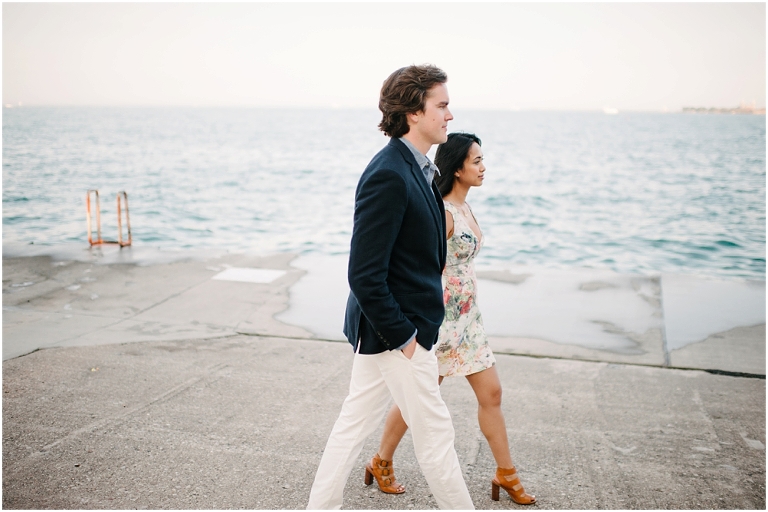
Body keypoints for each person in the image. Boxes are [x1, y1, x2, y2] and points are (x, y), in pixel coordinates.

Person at [306, 65, 474, 510]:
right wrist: (405, 339)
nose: (449, 115)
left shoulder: (417, 167)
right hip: (396, 332)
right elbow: (364, 273)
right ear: (414, 111)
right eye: (442, 105)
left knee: (351, 425)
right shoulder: (388, 173)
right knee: (437, 438)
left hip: (392, 330)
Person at [366, 132, 537, 505]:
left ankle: (506, 473)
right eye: (476, 161)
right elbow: (421, 267)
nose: (483, 166)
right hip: (440, 319)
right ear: (457, 168)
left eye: (482, 159)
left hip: (469, 321)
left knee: (492, 393)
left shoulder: (466, 207)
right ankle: (381, 460)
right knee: (420, 398)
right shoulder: (441, 211)